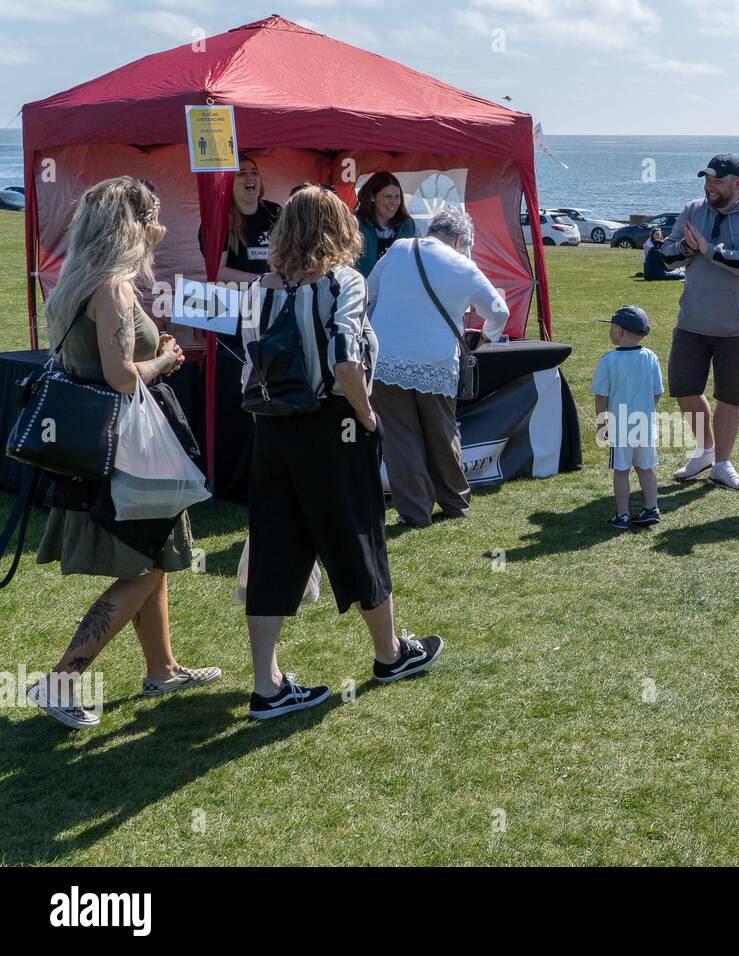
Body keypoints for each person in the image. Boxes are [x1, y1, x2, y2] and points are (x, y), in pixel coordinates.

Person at [240, 185, 441, 720]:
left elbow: (249, 366)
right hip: (333, 423)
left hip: (272, 427)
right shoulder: (342, 282)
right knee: (358, 535)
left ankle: (267, 683)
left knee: (275, 545)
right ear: (338, 229)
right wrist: (368, 416)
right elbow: (346, 362)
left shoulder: (260, 288)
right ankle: (389, 652)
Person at [27, 177, 221, 729]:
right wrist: (164, 361)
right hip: (124, 451)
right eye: (153, 221)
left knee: (152, 557)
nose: (158, 231)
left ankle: (162, 669)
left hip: (104, 447)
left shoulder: (74, 280)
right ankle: (62, 678)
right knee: (139, 567)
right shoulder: (112, 287)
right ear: (131, 227)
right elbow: (120, 376)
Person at [366, 208, 510, 525]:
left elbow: (370, 293)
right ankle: (455, 504)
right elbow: (499, 311)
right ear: (460, 240)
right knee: (443, 436)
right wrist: (485, 339)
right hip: (436, 362)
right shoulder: (464, 267)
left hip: (387, 359)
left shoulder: (400, 249)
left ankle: (414, 512)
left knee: (401, 441)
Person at [659, 153, 739, 492]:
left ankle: (722, 464)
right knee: (684, 389)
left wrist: (708, 249)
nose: (710, 187)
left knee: (730, 397)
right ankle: (705, 452)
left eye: (717, 182)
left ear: (738, 184)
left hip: (736, 328)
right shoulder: (692, 210)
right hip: (692, 322)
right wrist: (686, 247)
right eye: (707, 180)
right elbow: (666, 257)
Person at [593, 305, 663, 530]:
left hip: (619, 426)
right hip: (644, 424)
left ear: (620, 331)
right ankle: (652, 508)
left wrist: (601, 424)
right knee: (645, 468)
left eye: (612, 327)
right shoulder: (651, 357)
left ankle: (623, 515)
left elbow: (601, 397)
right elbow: (658, 391)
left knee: (621, 470)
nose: (610, 332)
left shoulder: (608, 360)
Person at [201, 155, 281, 282]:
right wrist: (262, 282)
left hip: (274, 293)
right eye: (241, 173)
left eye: (254, 172)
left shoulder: (274, 211)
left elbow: (290, 255)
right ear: (228, 183)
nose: (251, 177)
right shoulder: (219, 221)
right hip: (236, 295)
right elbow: (217, 271)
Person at [354, 172, 417, 277]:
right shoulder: (355, 225)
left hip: (397, 290)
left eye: (397, 197)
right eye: (388, 197)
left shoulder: (408, 226)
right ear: (372, 197)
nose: (394, 202)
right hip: (365, 291)